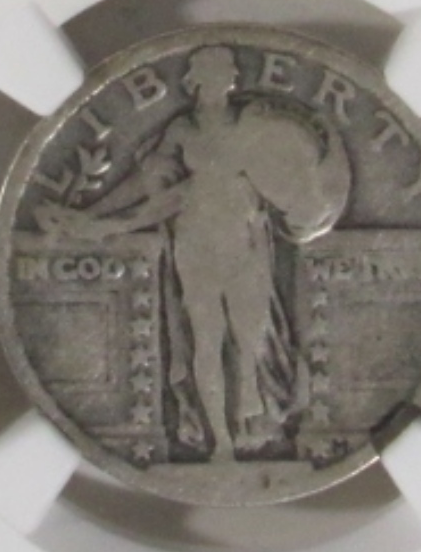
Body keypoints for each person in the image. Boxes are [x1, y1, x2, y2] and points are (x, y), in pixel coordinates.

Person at [34, 46, 350, 461]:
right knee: (206, 339)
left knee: (250, 336)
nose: (224, 81)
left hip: (246, 243)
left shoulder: (254, 125)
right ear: (196, 81)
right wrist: (92, 215)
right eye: (213, 73)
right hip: (195, 242)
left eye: (227, 73)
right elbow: (145, 184)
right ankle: (220, 443)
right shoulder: (182, 131)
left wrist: (308, 204)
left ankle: (252, 417)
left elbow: (294, 179)